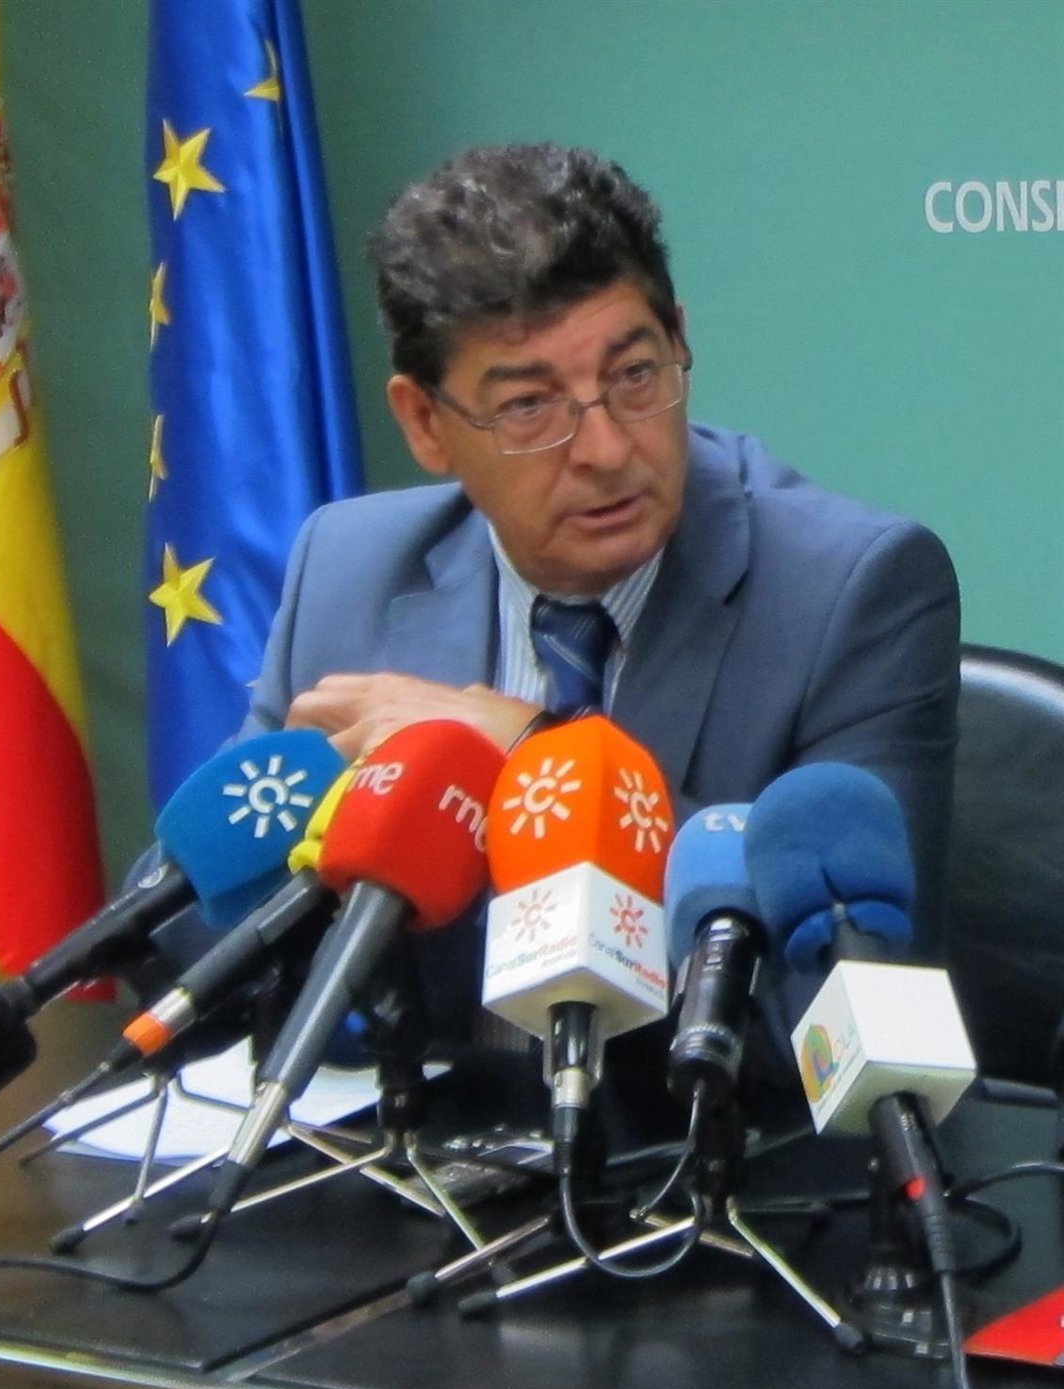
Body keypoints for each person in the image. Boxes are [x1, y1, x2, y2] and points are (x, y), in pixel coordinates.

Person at [237, 142, 960, 1072]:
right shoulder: (349, 570)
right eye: (530, 407)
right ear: (424, 422)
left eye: (635, 375)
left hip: (707, 1145)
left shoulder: (853, 591)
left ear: (679, 340)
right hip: (434, 1141)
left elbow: (851, 1016)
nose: (609, 449)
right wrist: (313, 835)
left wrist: (536, 761)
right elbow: (190, 945)